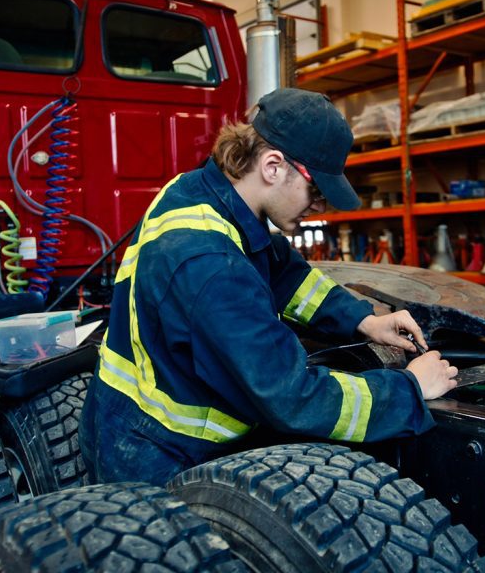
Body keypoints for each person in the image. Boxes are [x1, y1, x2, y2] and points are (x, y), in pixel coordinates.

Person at [80, 88, 458, 486]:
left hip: (133, 419)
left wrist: (365, 321)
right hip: (157, 455)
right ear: (273, 166)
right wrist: (409, 390)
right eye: (316, 192)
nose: (319, 208)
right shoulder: (212, 265)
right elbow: (289, 397)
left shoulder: (203, 193)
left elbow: (285, 272)